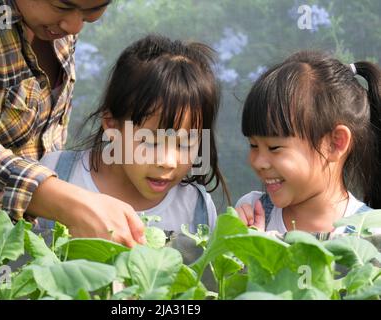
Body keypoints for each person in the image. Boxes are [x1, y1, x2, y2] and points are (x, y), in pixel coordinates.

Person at [0, 0, 146, 247]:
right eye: (62, 6)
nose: (75, 26)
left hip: (18, 251)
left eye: (92, 10)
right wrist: (67, 202)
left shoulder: (55, 28)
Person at [40, 34, 231, 236]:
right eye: (151, 143)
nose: (168, 162)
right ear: (112, 126)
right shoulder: (55, 176)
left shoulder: (196, 209)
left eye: (185, 144)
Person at [235, 50, 381, 238]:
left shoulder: (371, 233)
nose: (258, 162)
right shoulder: (250, 214)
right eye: (253, 145)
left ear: (335, 143)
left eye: (274, 147)